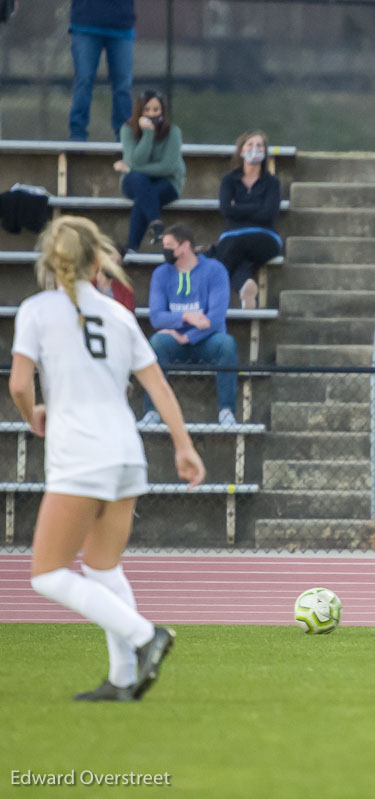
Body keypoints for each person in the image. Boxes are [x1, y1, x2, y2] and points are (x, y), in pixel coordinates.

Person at [10, 215, 204, 701]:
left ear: (51, 263)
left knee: (48, 575)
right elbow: (157, 386)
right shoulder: (119, 315)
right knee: (101, 569)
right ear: (98, 261)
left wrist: (32, 411)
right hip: (126, 454)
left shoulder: (36, 310)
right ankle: (122, 679)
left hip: (80, 453)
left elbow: (18, 383)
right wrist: (184, 446)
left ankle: (146, 636)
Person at [141, 224, 238, 426]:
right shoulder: (161, 273)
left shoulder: (215, 270)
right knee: (157, 342)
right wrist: (186, 317)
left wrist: (187, 337)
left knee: (227, 344)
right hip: (173, 340)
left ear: (185, 246)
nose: (165, 250)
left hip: (207, 340)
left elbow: (216, 318)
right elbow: (157, 317)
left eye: (169, 246)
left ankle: (226, 411)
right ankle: (152, 412)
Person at [216, 130, 282, 310]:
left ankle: (212, 293)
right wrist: (257, 207)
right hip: (233, 235)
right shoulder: (229, 180)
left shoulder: (272, 183)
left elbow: (269, 214)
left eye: (259, 145)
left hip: (264, 237)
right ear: (241, 150)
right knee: (240, 256)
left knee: (221, 253)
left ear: (265, 151)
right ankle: (244, 286)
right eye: (250, 144)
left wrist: (238, 208)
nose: (255, 149)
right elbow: (225, 210)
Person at [115, 90, 186, 253]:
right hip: (133, 182)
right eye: (147, 110)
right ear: (140, 110)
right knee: (140, 180)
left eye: (156, 109)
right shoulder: (127, 129)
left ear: (162, 111)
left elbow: (169, 167)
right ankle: (156, 223)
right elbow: (136, 160)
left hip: (168, 183)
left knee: (144, 195)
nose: (152, 114)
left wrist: (130, 168)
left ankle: (132, 247)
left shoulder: (173, 132)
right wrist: (148, 133)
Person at [68, 0, 135, 142]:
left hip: (121, 25)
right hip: (85, 23)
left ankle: (124, 137)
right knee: (84, 80)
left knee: (123, 85)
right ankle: (77, 135)